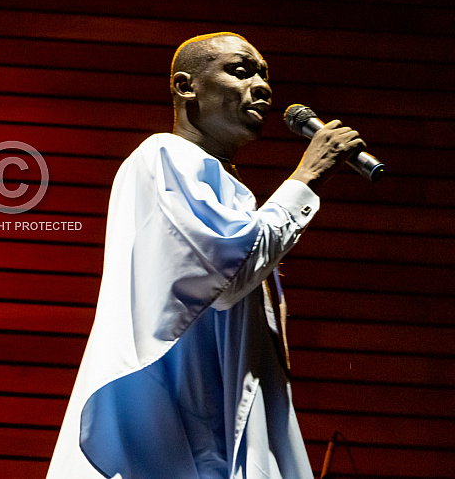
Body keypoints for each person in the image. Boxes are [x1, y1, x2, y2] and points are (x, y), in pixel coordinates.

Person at [46, 32, 365, 479]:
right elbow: (230, 274)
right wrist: (308, 175)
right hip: (189, 440)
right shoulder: (164, 156)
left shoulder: (228, 188)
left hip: (220, 431)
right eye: (241, 71)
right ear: (185, 86)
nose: (262, 86)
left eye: (265, 75)